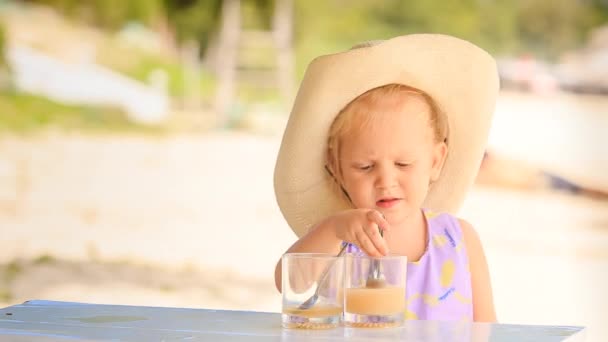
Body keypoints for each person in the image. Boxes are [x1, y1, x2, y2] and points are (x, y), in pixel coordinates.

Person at [273, 34, 498, 322]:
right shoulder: (340, 241)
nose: (386, 180)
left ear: (435, 161)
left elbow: (488, 329)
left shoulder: (460, 240)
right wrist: (333, 229)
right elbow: (287, 282)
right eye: (365, 167)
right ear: (336, 167)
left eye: (403, 164)